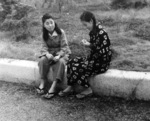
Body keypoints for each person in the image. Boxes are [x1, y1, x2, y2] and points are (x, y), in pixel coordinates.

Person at [59, 11, 112, 99]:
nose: (85, 27)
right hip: (93, 59)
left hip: (101, 63)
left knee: (77, 67)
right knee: (71, 62)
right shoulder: (93, 31)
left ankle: (88, 89)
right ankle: (70, 86)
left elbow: (103, 53)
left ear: (91, 21)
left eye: (85, 24)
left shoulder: (102, 33)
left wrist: (89, 57)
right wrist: (89, 44)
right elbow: (95, 46)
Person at [37, 13, 71, 99]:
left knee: (60, 63)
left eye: (51, 22)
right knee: (42, 60)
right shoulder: (44, 34)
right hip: (50, 54)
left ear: (54, 22)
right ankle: (42, 82)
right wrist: (47, 54)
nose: (50, 25)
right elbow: (43, 47)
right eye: (47, 23)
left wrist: (59, 56)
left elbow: (65, 47)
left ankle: (53, 86)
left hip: (61, 53)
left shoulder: (61, 32)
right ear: (44, 25)